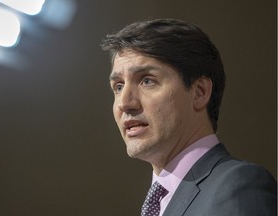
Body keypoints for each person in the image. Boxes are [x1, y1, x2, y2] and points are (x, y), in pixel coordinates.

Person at [101, 18, 277, 216]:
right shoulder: (159, 203)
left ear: (200, 92)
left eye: (147, 81)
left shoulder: (239, 185)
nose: (124, 103)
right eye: (118, 86)